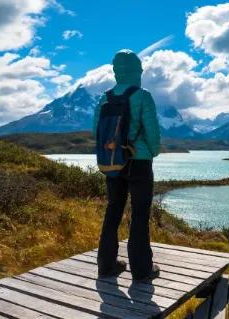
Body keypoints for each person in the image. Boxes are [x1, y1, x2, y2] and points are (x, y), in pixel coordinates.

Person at [92, 49, 161, 280]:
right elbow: (152, 131)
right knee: (140, 214)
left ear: (116, 71)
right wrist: (152, 151)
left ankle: (106, 265)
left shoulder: (105, 97)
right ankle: (142, 270)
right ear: (136, 70)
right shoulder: (143, 95)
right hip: (138, 162)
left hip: (113, 163)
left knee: (113, 210)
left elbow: (97, 132)